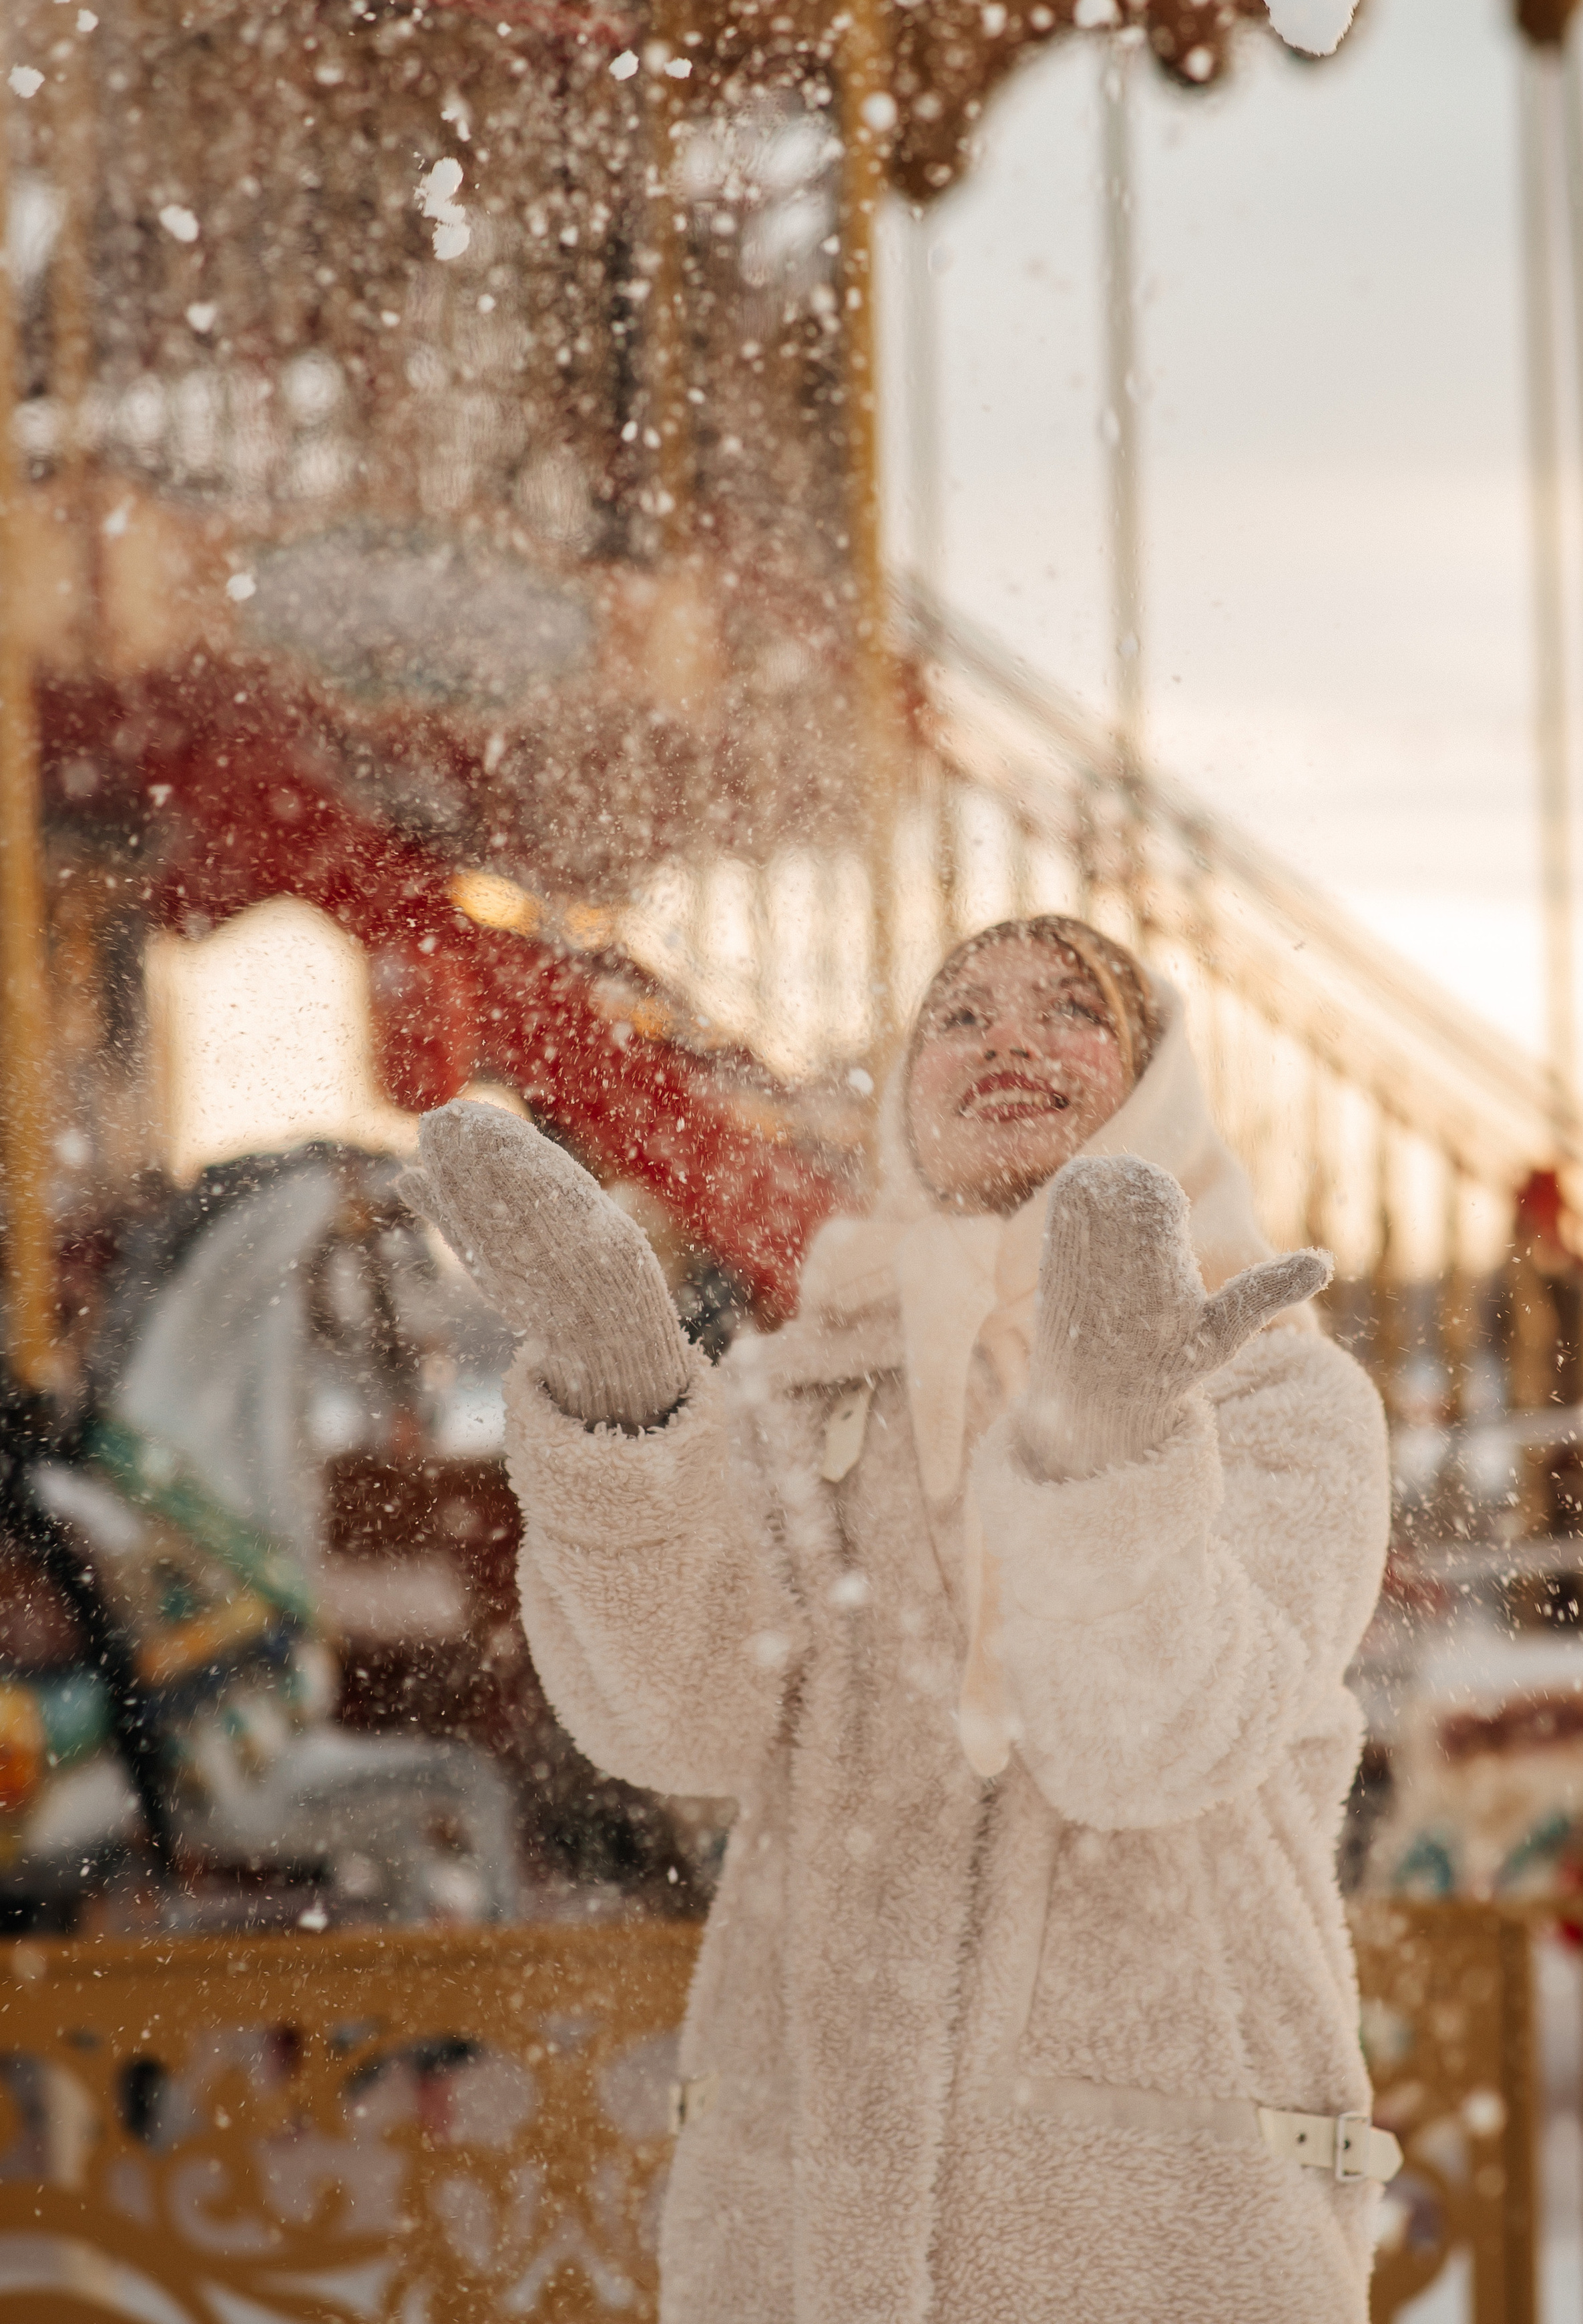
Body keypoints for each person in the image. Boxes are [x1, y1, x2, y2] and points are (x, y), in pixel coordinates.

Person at [403, 916, 1392, 2324]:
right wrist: (627, 1411)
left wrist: (1107, 1452)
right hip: (802, 2223)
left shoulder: (1274, 1404)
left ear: (1157, 1083)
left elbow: (1153, 1744)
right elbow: (671, 1723)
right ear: (902, 1091)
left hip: (1163, 2220)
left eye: (1070, 1008)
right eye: (958, 1014)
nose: (1006, 1039)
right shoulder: (791, 1395)